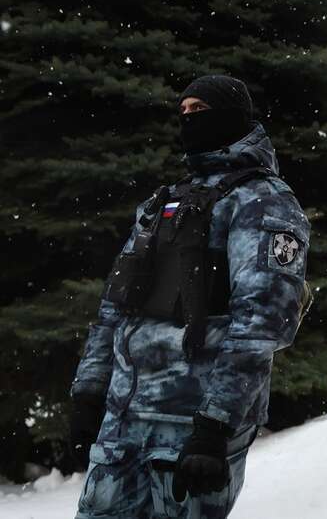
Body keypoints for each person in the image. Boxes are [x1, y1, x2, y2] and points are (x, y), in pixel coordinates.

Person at [69, 75, 311, 518]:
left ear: (234, 116)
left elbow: (261, 323)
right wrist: (89, 391)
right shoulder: (164, 202)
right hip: (123, 417)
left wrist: (215, 424)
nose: (189, 120)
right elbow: (115, 306)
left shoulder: (263, 202)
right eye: (183, 112)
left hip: (193, 426)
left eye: (200, 111)